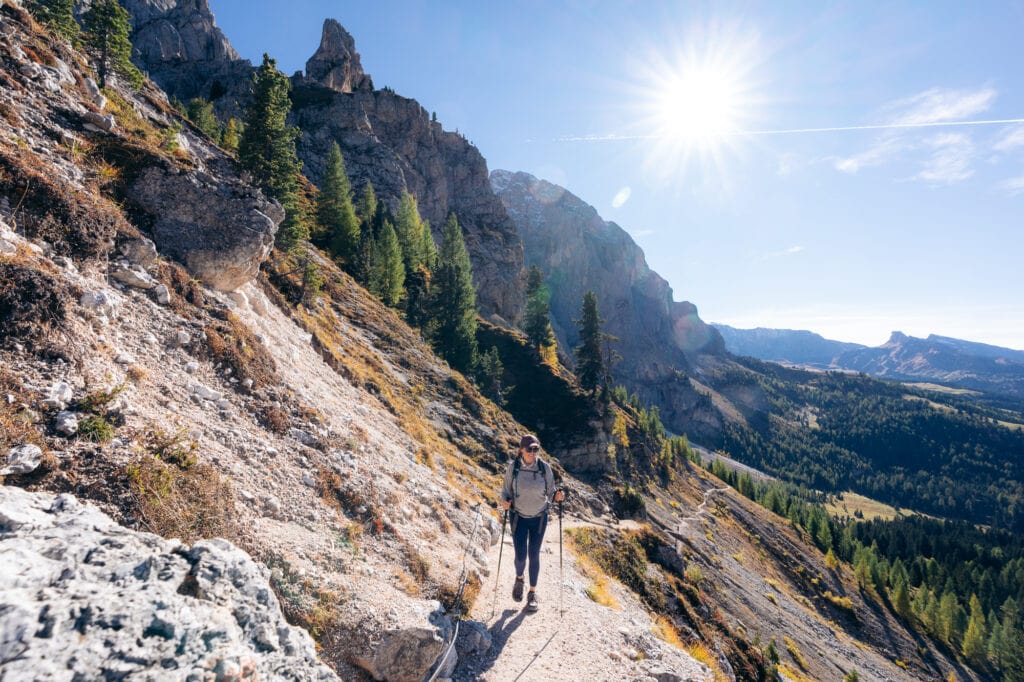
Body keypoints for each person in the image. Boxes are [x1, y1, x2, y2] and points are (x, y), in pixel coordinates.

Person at [501, 434, 565, 612]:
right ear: (521, 449)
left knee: (534, 554)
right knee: (520, 556)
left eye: (535, 449)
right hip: (518, 517)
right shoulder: (513, 468)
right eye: (529, 449)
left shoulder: (544, 468)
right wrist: (505, 501)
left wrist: (558, 497)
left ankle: (532, 594)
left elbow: (552, 492)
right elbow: (505, 492)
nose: (532, 452)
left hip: (539, 518)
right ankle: (519, 578)